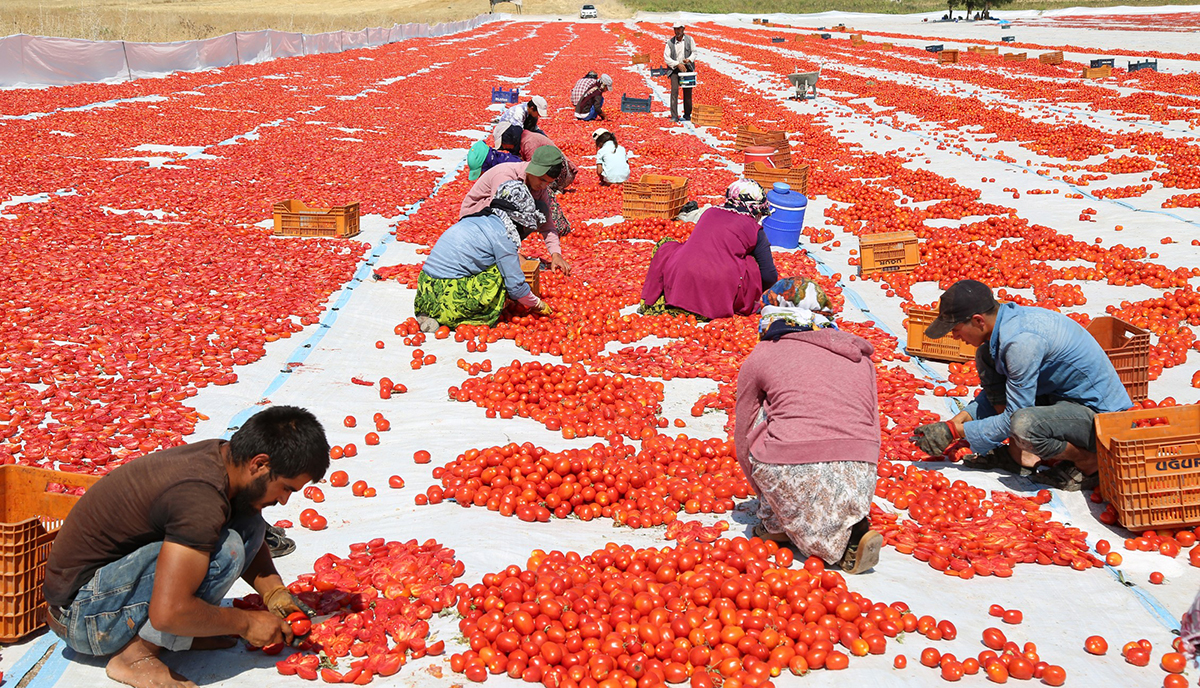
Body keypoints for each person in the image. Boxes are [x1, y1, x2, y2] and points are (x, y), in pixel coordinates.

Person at [44, 406, 330, 688]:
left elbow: (250, 528)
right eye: (287, 488)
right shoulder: (199, 497)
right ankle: (135, 656)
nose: (284, 501)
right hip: (81, 615)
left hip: (103, 590)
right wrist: (245, 623)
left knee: (251, 522)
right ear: (259, 463)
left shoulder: (225, 459)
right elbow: (169, 611)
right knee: (225, 551)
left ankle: (183, 633)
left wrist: (275, 593)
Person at [909, 280, 1133, 491]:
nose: (955, 336)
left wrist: (955, 431)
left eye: (956, 329)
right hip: (1061, 399)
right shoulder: (1007, 325)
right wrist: (957, 421)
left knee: (1023, 426)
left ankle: (1088, 461)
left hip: (1101, 419)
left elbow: (1015, 416)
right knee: (986, 356)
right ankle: (1017, 454)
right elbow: (1005, 395)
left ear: (978, 321)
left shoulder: (1020, 343)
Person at [734, 278, 883, 573]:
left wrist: (764, 493)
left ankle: (776, 521)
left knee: (766, 416)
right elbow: (873, 425)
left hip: (789, 465)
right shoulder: (861, 358)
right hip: (861, 467)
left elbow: (742, 433)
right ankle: (851, 527)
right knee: (842, 419)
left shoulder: (762, 355)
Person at [417, 180, 553, 328]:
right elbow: (516, 286)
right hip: (451, 298)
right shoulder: (503, 234)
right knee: (501, 270)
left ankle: (432, 314)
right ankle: (454, 316)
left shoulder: (479, 219)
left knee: (498, 262)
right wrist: (537, 304)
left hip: (425, 291)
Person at [639, 179, 777, 319]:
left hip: (680, 280)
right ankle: (721, 301)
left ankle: (679, 297)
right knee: (751, 262)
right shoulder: (755, 229)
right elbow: (769, 275)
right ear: (754, 208)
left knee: (668, 245)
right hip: (716, 295)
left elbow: (701, 248)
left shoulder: (709, 212)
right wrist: (756, 289)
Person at [461, 145, 573, 275]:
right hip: (475, 222)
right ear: (532, 169)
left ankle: (502, 252)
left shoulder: (540, 188)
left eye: (548, 182)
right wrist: (512, 254)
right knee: (515, 208)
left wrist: (556, 254)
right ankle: (496, 251)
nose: (543, 185)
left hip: (498, 221)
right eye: (542, 179)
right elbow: (498, 216)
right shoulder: (505, 176)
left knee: (541, 210)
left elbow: (547, 225)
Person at [664, 22, 696, 122]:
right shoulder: (670, 43)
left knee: (687, 92)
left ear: (683, 29)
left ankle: (687, 114)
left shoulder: (689, 40)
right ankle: (674, 115)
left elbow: (694, 52)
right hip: (674, 69)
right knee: (674, 91)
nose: (677, 31)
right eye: (675, 29)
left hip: (687, 68)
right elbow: (666, 57)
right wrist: (677, 64)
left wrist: (689, 59)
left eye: (679, 29)